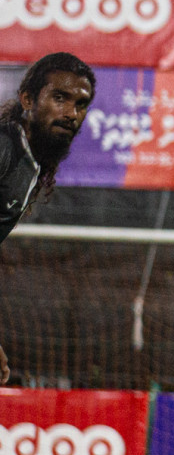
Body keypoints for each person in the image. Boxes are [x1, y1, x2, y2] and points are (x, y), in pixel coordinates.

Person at [0, 52, 96, 384]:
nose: (71, 113)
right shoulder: (4, 150)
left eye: (81, 104)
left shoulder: (27, 159)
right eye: (60, 98)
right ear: (27, 98)